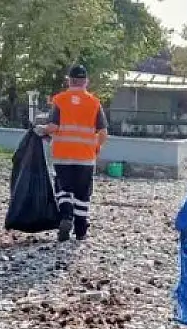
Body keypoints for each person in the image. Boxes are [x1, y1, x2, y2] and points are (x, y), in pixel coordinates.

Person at [40, 64, 108, 241]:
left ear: (69, 81)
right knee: (83, 194)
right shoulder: (94, 103)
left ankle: (66, 217)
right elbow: (103, 133)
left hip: (62, 155)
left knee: (63, 190)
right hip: (85, 157)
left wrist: (41, 130)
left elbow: (53, 126)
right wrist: (96, 148)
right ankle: (80, 230)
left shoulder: (60, 100)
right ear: (86, 81)